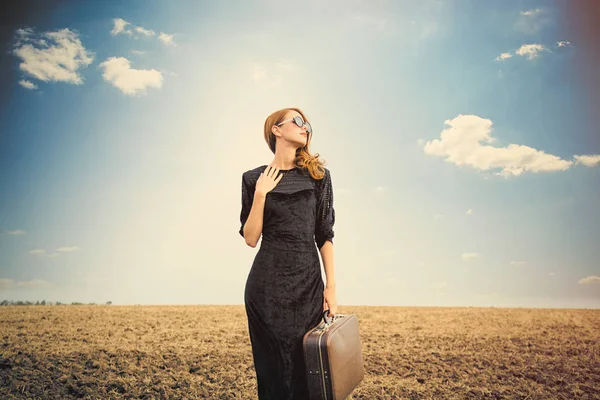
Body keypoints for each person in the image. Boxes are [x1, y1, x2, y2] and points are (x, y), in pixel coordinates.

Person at [239, 107, 338, 399]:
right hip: (266, 288)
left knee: (307, 372)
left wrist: (331, 286)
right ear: (276, 130)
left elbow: (325, 233)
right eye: (297, 121)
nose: (304, 126)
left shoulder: (318, 177)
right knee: (273, 374)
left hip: (307, 286)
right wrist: (260, 194)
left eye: (306, 123)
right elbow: (250, 237)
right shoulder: (252, 178)